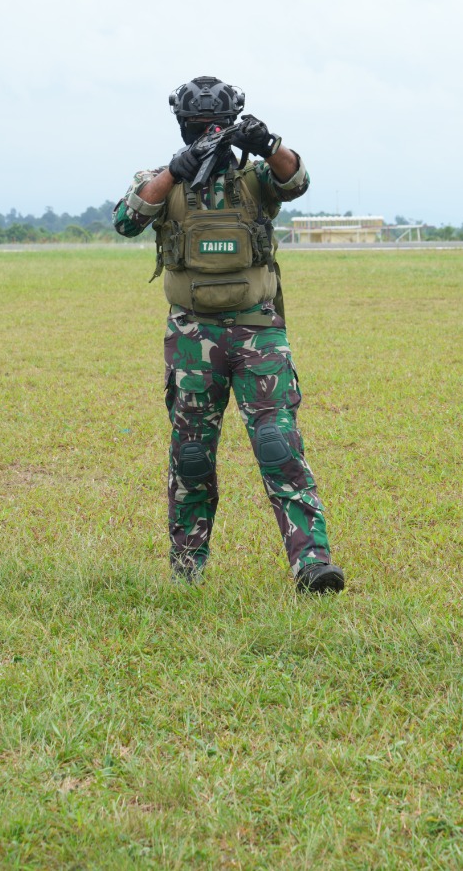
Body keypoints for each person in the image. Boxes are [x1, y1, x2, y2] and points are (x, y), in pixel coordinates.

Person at [113, 76, 343, 593]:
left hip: (258, 329)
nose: (208, 135)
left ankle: (312, 563)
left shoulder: (256, 177)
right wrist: (175, 170)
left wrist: (268, 143)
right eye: (199, 127)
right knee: (191, 452)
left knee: (278, 444)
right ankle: (187, 567)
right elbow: (127, 219)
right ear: (181, 126)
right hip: (193, 334)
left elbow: (298, 179)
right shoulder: (161, 180)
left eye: (217, 127)